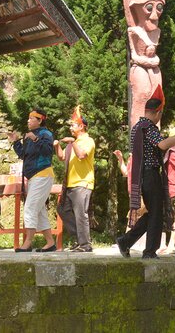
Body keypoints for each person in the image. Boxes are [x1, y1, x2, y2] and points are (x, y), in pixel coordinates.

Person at [116, 86, 175, 259]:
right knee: (156, 213)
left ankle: (126, 241)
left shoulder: (137, 127)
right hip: (150, 174)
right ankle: (149, 251)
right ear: (157, 112)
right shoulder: (149, 127)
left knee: (153, 213)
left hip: (142, 175)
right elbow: (162, 145)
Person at [9, 108, 56, 252]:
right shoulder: (29, 135)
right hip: (34, 177)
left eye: (31, 118)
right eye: (28, 118)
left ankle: (28, 242)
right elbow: (24, 155)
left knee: (30, 208)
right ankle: (50, 242)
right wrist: (16, 141)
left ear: (40, 120)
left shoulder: (46, 134)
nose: (28, 121)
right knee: (39, 210)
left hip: (42, 174)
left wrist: (35, 139)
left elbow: (48, 151)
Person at [55, 106, 96, 252]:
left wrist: (72, 142)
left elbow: (82, 155)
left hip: (83, 182)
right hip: (70, 183)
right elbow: (62, 157)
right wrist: (57, 146)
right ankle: (79, 239)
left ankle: (85, 245)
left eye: (73, 125)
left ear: (81, 126)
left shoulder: (88, 140)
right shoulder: (73, 142)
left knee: (80, 214)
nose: (71, 127)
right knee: (62, 209)